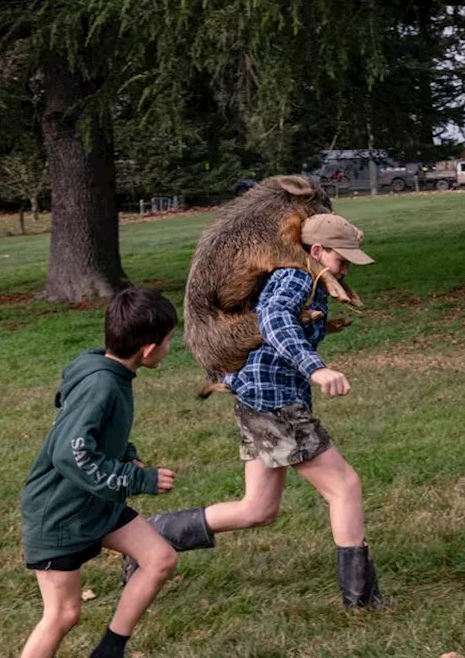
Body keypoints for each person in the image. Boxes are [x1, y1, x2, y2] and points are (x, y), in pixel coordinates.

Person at [127, 214, 388, 608]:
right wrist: (316, 368)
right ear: (316, 251)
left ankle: (151, 536)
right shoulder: (297, 278)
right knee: (344, 487)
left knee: (258, 509)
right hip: (273, 401)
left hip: (258, 396)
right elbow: (274, 320)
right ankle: (362, 600)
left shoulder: (307, 279)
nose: (347, 268)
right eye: (342, 259)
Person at [19, 288, 179, 658]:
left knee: (160, 559)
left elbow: (99, 434)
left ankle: (109, 650)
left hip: (95, 501)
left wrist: (128, 455)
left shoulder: (105, 369)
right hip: (60, 514)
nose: (172, 346)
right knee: (63, 614)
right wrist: (138, 479)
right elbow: (70, 453)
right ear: (149, 349)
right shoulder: (101, 384)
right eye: (170, 339)